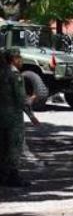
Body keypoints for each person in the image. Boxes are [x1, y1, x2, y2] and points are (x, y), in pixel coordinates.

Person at [0, 48, 40, 187]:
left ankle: (3, 175)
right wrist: (32, 105)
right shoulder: (15, 74)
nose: (21, 60)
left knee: (3, 146)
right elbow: (21, 100)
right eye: (19, 58)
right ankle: (12, 176)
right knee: (14, 146)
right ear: (14, 59)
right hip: (13, 118)